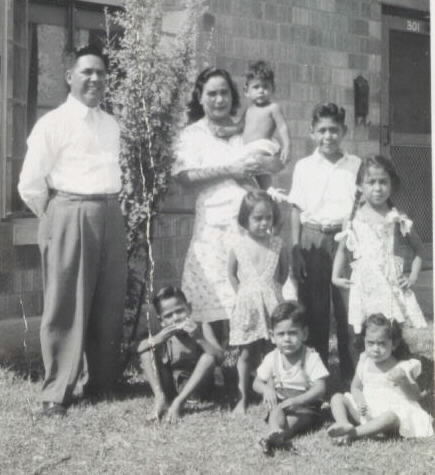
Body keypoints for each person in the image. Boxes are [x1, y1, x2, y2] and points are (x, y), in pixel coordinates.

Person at [18, 45, 127, 416]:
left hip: (110, 212)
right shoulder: (53, 124)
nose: (95, 79)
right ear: (69, 77)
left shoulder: (111, 124)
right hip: (69, 210)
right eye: (87, 72)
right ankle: (56, 391)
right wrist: (57, 216)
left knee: (109, 299)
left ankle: (103, 382)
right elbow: (30, 184)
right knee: (65, 303)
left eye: (101, 73)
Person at [173, 67, 283, 347]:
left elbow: (274, 162)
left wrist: (264, 163)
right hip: (211, 224)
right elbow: (185, 177)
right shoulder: (191, 135)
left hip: (247, 226)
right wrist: (229, 169)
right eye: (212, 93)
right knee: (209, 288)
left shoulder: (245, 130)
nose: (219, 99)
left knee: (248, 288)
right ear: (200, 97)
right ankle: (215, 358)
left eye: (224, 92)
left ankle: (250, 358)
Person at [287, 102, 361, 383]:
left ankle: (351, 377)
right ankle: (317, 379)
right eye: (322, 131)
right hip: (313, 239)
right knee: (314, 311)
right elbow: (295, 208)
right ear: (311, 133)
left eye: (334, 130)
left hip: (346, 240)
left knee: (348, 311)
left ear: (344, 131)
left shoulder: (355, 165)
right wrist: (296, 248)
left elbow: (360, 205)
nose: (328, 136)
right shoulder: (304, 167)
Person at [332, 155, 427, 336]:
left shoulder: (398, 218)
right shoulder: (352, 218)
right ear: (360, 186)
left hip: (391, 284)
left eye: (383, 182)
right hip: (365, 286)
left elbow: (420, 249)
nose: (377, 188)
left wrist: (412, 277)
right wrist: (335, 276)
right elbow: (342, 250)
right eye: (371, 182)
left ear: (391, 185)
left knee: (393, 334)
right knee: (368, 334)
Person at [328, 314, 433, 445]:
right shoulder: (364, 362)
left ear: (394, 344)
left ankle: (353, 434)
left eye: (382, 344)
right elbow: (356, 387)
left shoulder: (401, 366)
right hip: (367, 411)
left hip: (391, 415)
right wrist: (360, 401)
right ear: (364, 341)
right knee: (337, 398)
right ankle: (343, 423)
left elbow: (415, 396)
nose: (375, 349)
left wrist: (404, 381)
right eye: (370, 343)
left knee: (389, 417)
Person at [228, 190, 288, 414]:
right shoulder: (239, 245)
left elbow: (282, 274)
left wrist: (271, 292)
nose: (264, 223)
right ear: (245, 219)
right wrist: (243, 294)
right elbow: (231, 273)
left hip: (272, 303)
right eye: (257, 218)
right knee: (246, 353)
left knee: (273, 352)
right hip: (247, 306)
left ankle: (272, 393)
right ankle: (242, 398)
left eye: (268, 218)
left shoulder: (277, 244)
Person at [137, 286, 224, 423]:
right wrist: (157, 339)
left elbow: (220, 357)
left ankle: (179, 402)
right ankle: (160, 398)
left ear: (189, 308)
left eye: (179, 311)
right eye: (168, 316)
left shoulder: (201, 327)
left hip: (197, 388)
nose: (175, 318)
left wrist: (200, 338)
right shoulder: (164, 334)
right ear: (161, 321)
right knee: (147, 352)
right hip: (170, 386)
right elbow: (139, 349)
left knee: (208, 357)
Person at [253, 301, 329, 456]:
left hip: (305, 406)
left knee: (294, 421)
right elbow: (256, 382)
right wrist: (267, 389)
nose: (287, 339)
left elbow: (321, 388)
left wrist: (297, 401)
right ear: (272, 336)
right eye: (281, 334)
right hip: (281, 404)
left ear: (305, 334)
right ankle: (275, 433)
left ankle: (272, 439)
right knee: (276, 412)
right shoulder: (272, 357)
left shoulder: (310, 357)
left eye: (293, 333)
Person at [214, 60, 291, 189]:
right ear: (247, 91)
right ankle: (265, 191)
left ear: (273, 89)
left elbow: (282, 127)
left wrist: (287, 146)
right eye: (256, 87)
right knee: (251, 169)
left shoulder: (273, 107)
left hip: (264, 144)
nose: (261, 91)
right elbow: (239, 127)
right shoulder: (249, 110)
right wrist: (225, 131)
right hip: (248, 147)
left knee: (254, 160)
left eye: (265, 87)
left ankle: (268, 189)